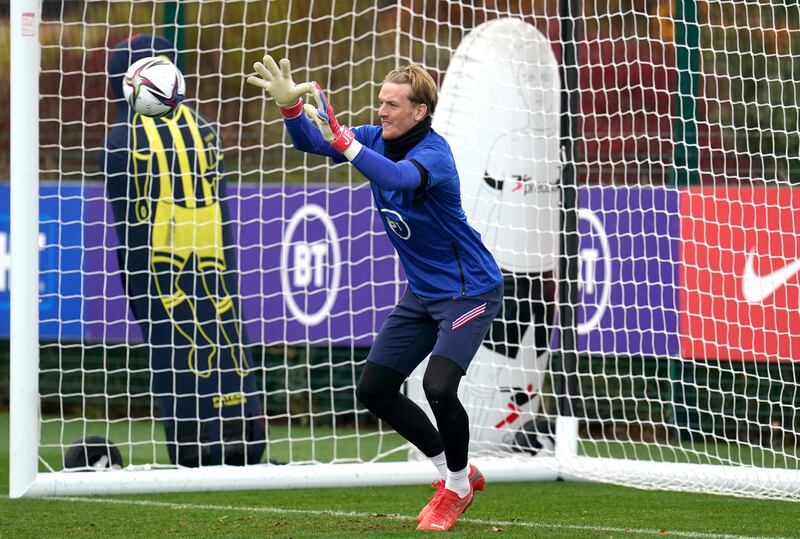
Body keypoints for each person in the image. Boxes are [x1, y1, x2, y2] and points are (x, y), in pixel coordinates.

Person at [246, 55, 503, 531]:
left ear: (419, 111)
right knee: (375, 389)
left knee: (438, 386)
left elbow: (398, 178)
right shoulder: (372, 139)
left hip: (470, 293)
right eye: (380, 102)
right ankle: (455, 472)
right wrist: (290, 111)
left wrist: (344, 139)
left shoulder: (434, 155)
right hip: (422, 294)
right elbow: (312, 143)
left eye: (391, 104)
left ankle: (458, 489)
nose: (381, 111)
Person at [101, 34, 265, 467]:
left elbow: (128, 220)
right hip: (215, 250)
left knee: (173, 345)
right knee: (226, 329)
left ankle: (194, 446)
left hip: (159, 254)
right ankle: (245, 437)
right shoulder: (206, 127)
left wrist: (132, 279)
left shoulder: (121, 138)